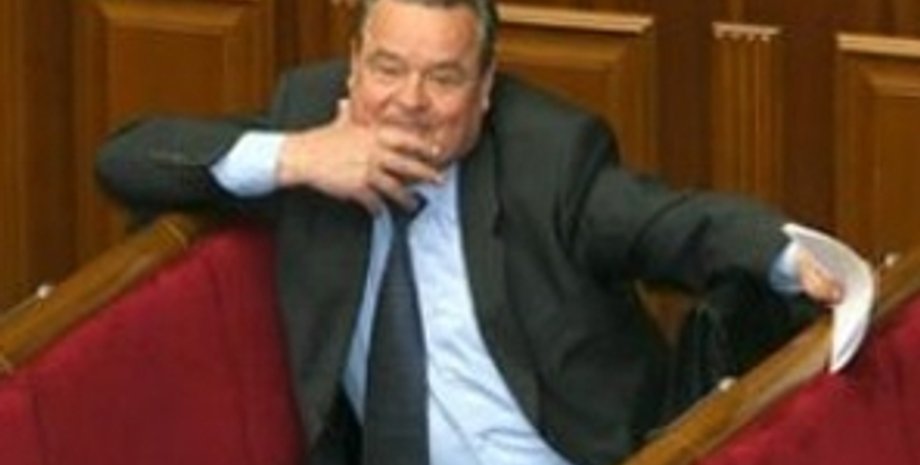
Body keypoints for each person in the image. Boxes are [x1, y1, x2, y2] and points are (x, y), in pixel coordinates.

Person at [95, 0, 844, 464]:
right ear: (353, 67)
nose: (409, 101)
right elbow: (125, 159)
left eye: (444, 78)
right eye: (387, 68)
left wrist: (789, 255)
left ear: (485, 89)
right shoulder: (311, 122)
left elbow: (675, 223)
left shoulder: (549, 157)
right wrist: (294, 156)